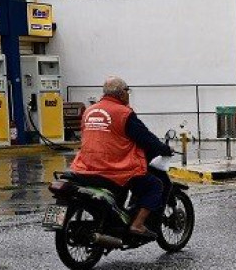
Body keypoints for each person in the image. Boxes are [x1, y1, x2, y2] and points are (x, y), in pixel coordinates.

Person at [71, 76, 173, 239]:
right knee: (155, 185)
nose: (128, 94)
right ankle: (137, 225)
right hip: (112, 168)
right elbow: (145, 137)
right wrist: (164, 149)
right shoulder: (123, 113)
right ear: (121, 93)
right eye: (127, 90)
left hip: (84, 167)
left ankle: (115, 221)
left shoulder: (89, 111)